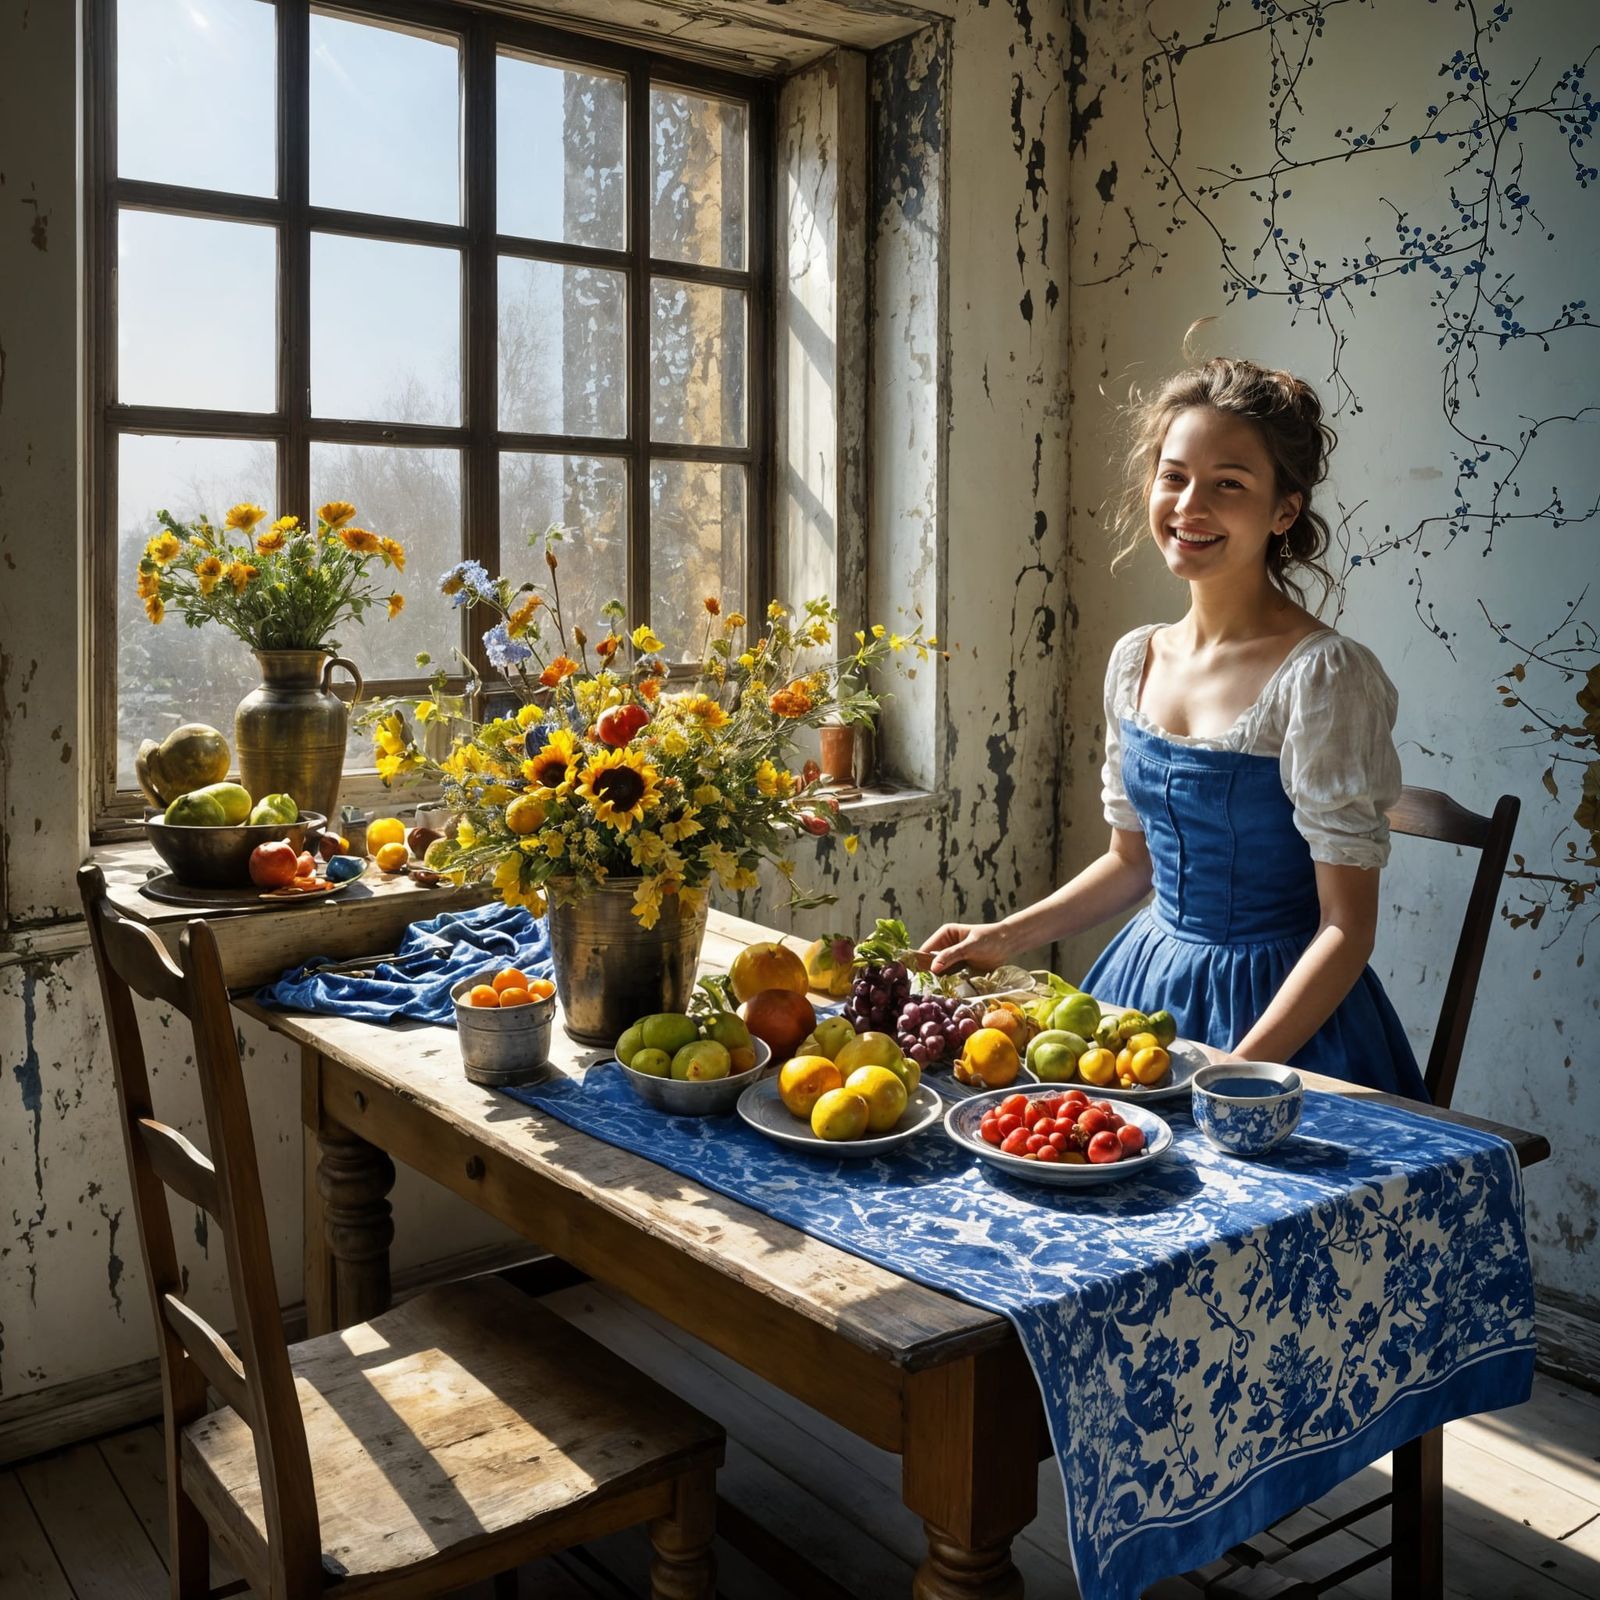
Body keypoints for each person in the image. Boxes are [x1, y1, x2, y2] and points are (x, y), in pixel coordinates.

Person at [921, 356, 1427, 1099]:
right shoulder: (1137, 660)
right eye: (1174, 475)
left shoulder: (1325, 676)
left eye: (1230, 484)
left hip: (1284, 1020)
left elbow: (1346, 928)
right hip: (1146, 993)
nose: (1191, 505)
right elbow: (1134, 863)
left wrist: (1238, 1072)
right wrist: (1004, 937)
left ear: (1284, 511)